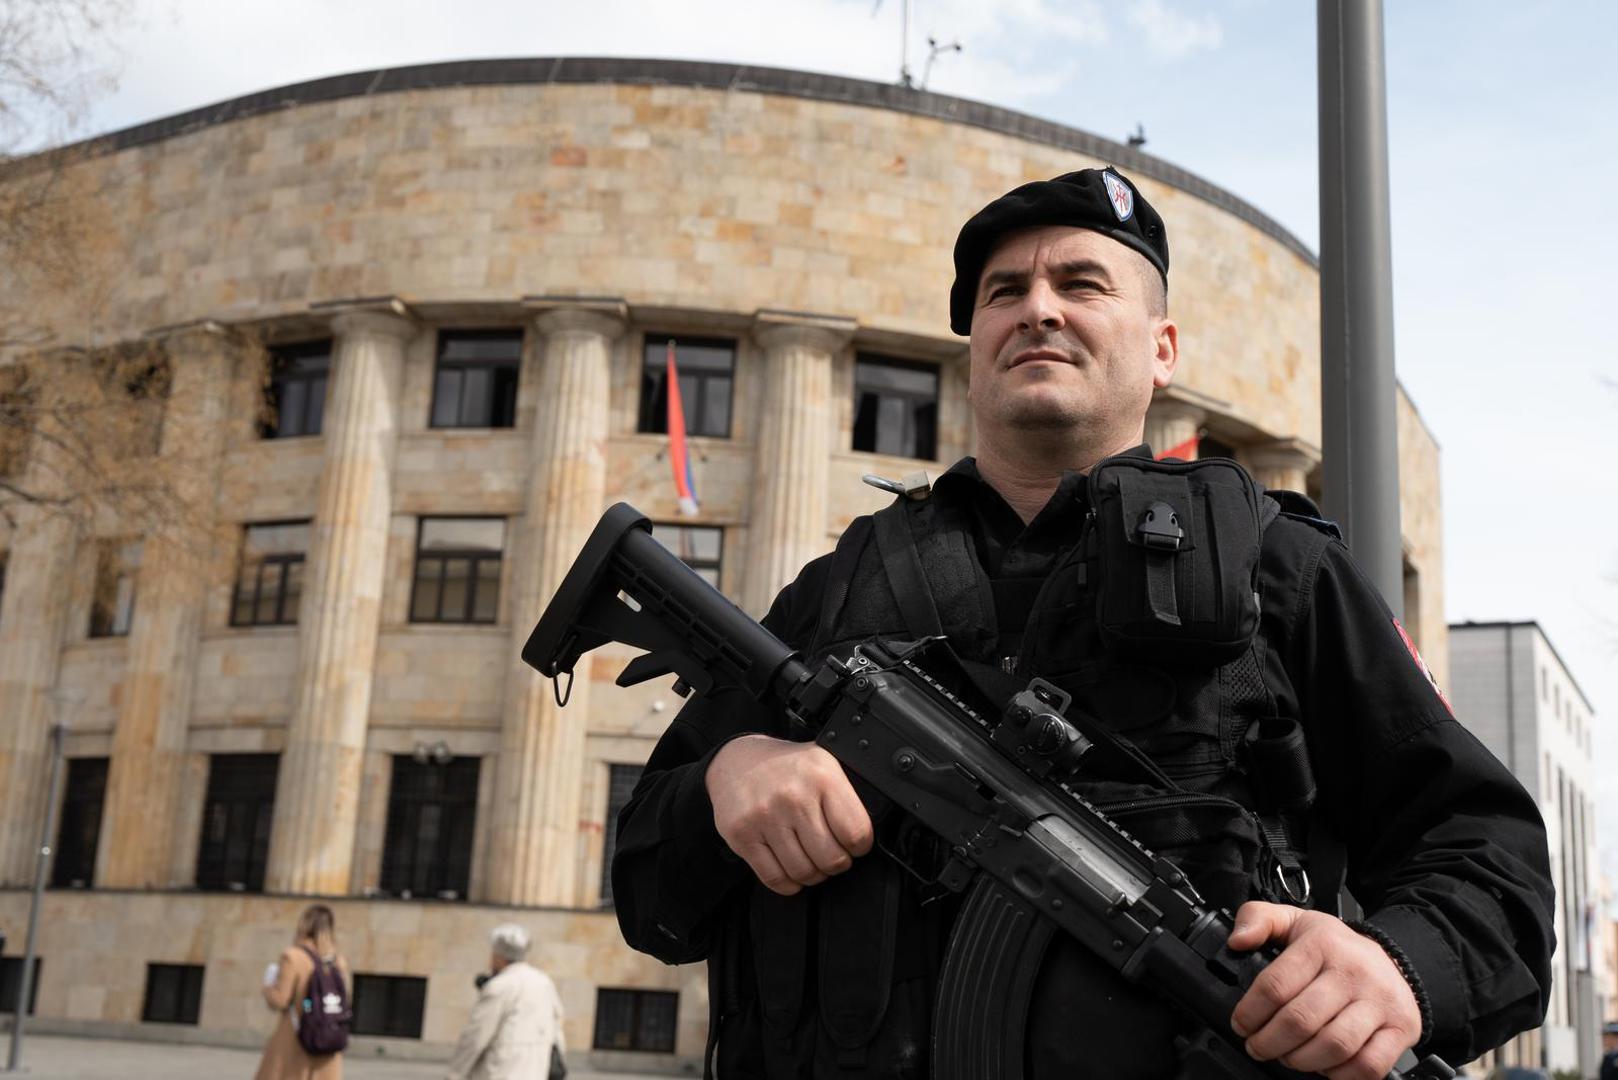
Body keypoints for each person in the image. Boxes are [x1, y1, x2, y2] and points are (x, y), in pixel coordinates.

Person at [610, 167, 1555, 1079]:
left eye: (1081, 283)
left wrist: (1398, 972)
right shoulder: (841, 586)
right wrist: (726, 783)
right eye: (1003, 292)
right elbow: (649, 889)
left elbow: (1486, 853)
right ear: (975, 347)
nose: (1038, 309)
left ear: (1162, 347)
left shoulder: (1279, 569)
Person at [445, 923, 566, 1080]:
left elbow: (476, 1036)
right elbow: (557, 1029)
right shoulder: (544, 982)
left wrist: (454, 1074)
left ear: (498, 956)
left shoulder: (500, 986)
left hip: (501, 1072)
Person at [256, 903, 349, 1080]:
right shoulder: (338, 961)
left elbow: (281, 1000)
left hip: (296, 1038)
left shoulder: (293, 957)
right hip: (328, 1039)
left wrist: (268, 987)